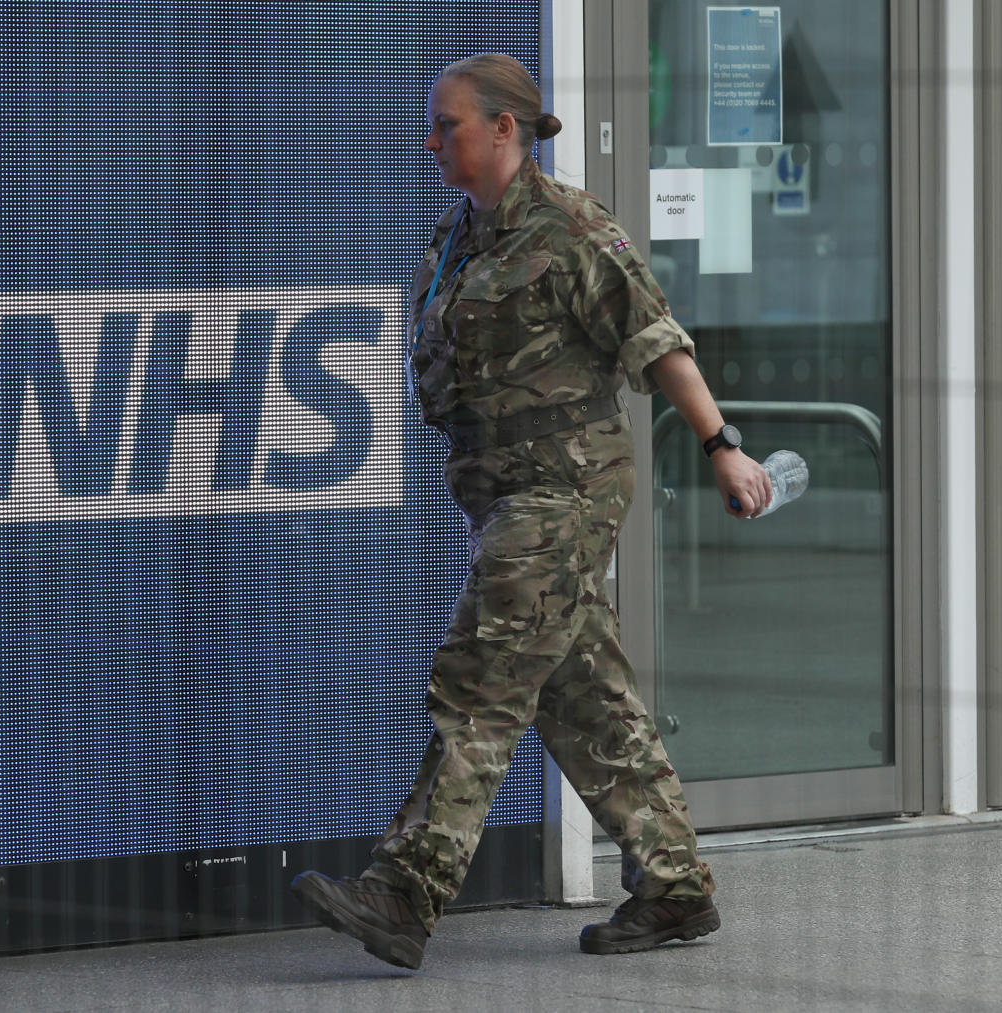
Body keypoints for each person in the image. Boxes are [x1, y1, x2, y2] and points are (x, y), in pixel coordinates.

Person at [291, 53, 771, 970]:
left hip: (566, 484)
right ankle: (676, 888)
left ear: (505, 128)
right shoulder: (459, 234)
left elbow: (655, 337)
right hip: (500, 488)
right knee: (581, 692)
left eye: (449, 125)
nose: (429, 140)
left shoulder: (572, 226)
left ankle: (405, 890)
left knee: (482, 678)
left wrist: (722, 446)